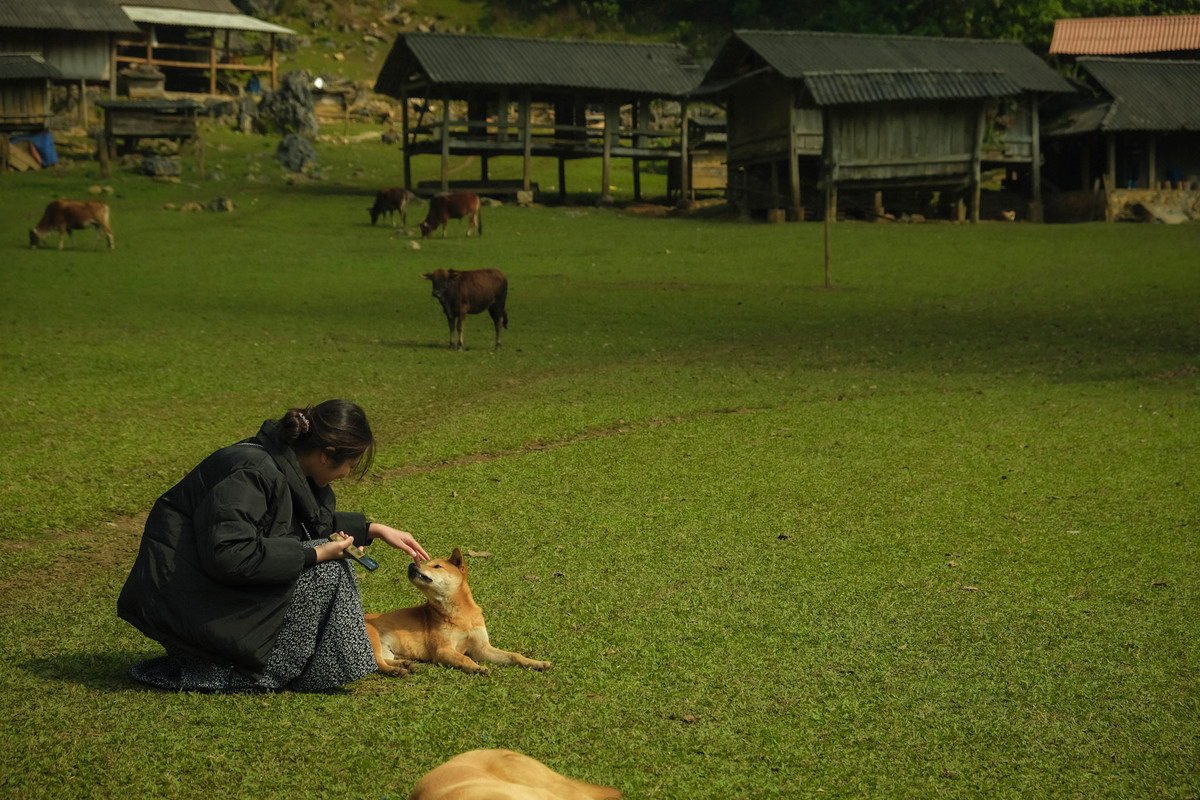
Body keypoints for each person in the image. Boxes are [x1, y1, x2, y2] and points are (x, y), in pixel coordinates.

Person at [117, 399, 429, 692]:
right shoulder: (251, 471)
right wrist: (317, 553)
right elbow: (229, 554)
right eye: (350, 464)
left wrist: (373, 530)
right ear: (326, 453)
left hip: (205, 592)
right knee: (329, 569)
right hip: (188, 603)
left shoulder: (281, 462)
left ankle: (306, 665)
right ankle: (271, 672)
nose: (347, 474)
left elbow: (300, 521)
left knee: (329, 561)